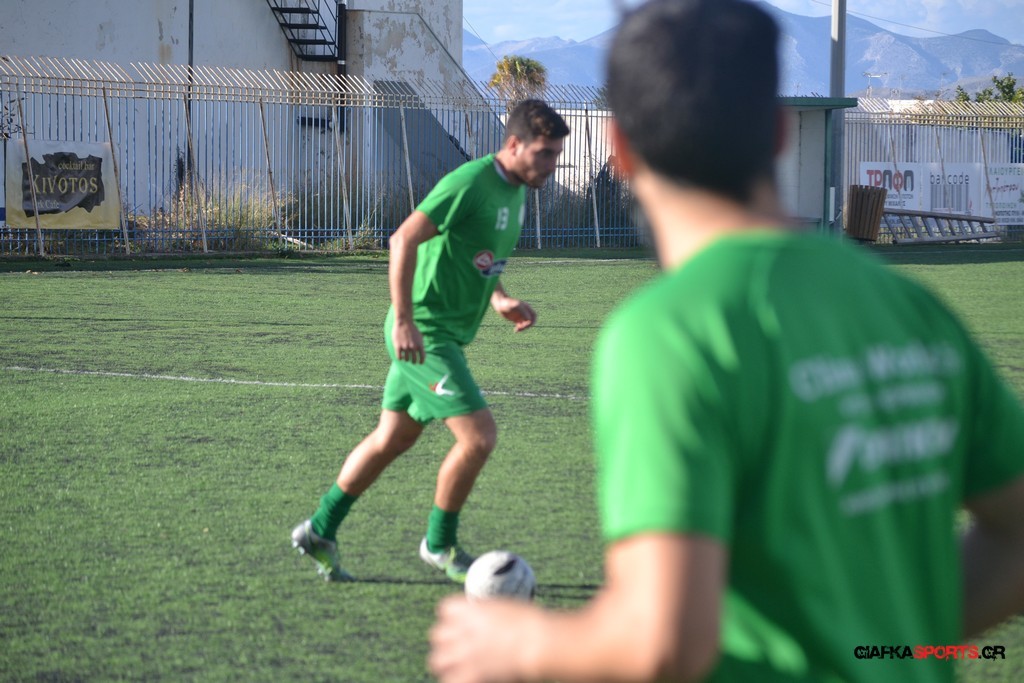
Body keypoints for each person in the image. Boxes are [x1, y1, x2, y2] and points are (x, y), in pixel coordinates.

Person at [428, 1, 1024, 682]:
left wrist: (525, 645)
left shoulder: (670, 332)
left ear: (620, 149)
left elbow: (665, 642)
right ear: (778, 131)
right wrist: (876, 638)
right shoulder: (912, 307)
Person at [291, 99, 569, 583]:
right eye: (544, 154)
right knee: (479, 437)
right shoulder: (471, 183)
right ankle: (439, 545)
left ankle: (319, 529)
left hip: (443, 336)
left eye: (556, 156)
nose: (551, 165)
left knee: (392, 438)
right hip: (426, 333)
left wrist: (499, 297)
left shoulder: (516, 191)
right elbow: (403, 239)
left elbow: (478, 253)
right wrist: (403, 320)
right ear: (513, 145)